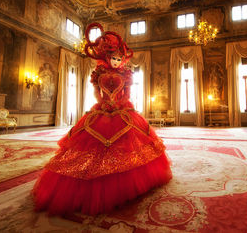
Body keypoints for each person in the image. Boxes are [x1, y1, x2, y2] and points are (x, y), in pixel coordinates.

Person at [32, 22, 172, 215]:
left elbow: (127, 94)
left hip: (122, 109)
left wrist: (119, 103)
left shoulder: (125, 73)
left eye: (119, 58)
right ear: (107, 57)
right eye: (113, 58)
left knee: (130, 142)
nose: (116, 61)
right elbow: (97, 94)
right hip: (103, 109)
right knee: (91, 144)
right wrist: (105, 104)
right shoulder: (99, 73)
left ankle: (127, 181)